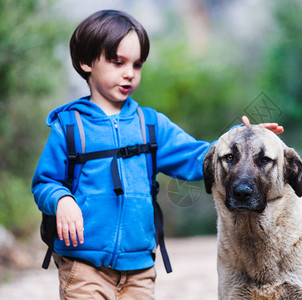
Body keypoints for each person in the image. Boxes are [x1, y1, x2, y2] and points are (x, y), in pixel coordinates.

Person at [31, 9, 283, 299]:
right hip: (83, 266)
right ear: (86, 62)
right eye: (118, 62)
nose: (129, 73)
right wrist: (61, 200)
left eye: (137, 65)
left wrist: (240, 141)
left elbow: (197, 157)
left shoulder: (150, 124)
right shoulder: (69, 126)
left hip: (139, 269)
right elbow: (44, 183)